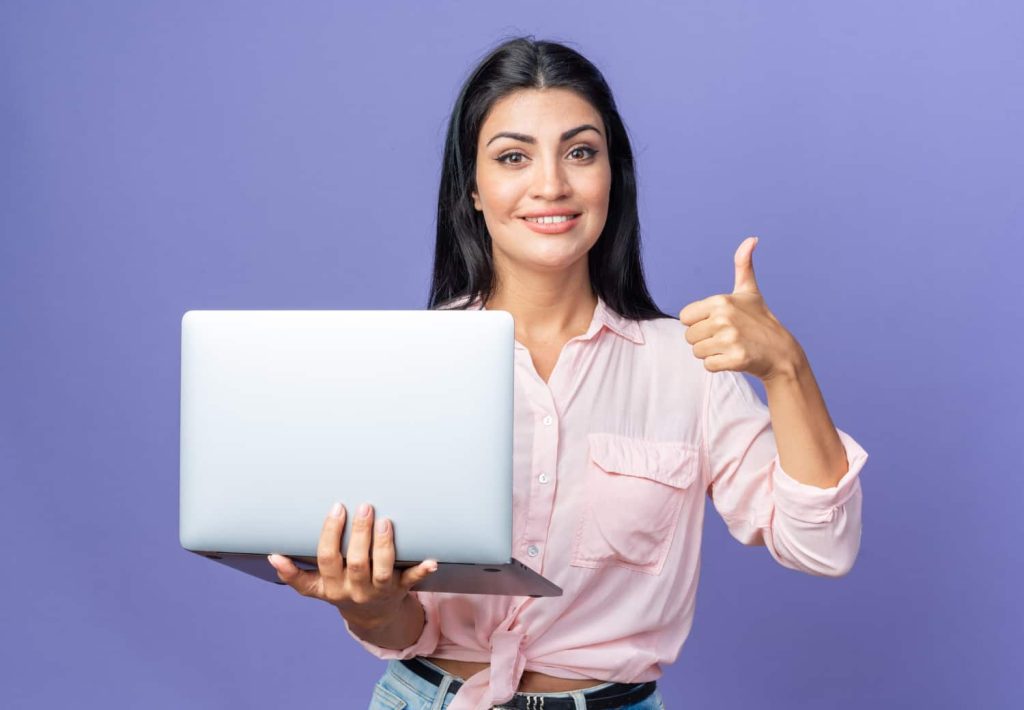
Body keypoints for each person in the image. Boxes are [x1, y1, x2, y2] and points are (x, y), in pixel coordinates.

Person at [267, 36, 868, 710]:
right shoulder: (409, 366)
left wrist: (786, 366)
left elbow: (824, 547)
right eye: (513, 157)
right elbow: (403, 629)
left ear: (614, 176)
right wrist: (369, 607)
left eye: (580, 152)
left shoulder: (685, 368)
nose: (551, 184)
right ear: (472, 187)